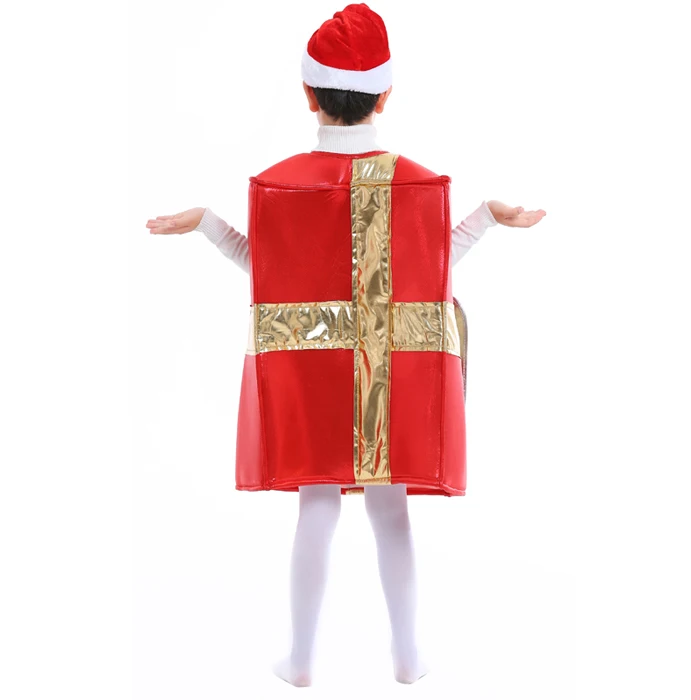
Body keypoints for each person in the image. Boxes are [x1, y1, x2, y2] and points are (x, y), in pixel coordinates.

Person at [146, 2, 545, 687]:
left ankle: (300, 661)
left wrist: (208, 223)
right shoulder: (415, 183)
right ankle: (408, 657)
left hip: (316, 379)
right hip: (383, 377)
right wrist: (486, 217)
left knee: (318, 503)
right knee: (390, 510)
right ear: (385, 95)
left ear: (309, 94)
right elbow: (430, 272)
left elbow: (266, 274)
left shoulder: (282, 185)